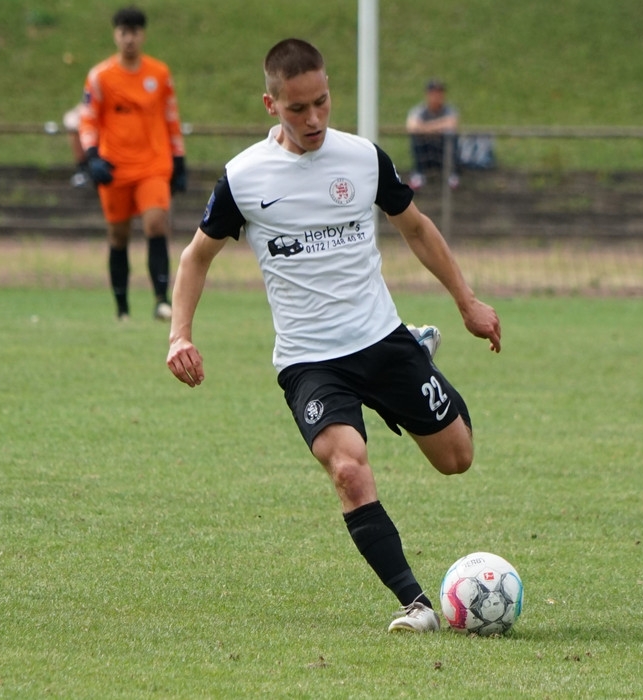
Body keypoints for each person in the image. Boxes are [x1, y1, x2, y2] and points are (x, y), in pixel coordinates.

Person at [165, 39, 501, 633]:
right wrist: (179, 335)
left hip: (381, 339)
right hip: (310, 362)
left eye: (322, 102)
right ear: (271, 104)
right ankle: (416, 603)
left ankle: (418, 350)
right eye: (298, 108)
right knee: (348, 469)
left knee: (457, 459)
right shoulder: (244, 177)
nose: (314, 118)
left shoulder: (363, 158)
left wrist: (467, 302)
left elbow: (416, 229)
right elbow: (196, 257)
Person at [78, 5, 188, 321]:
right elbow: (88, 120)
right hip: (115, 168)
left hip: (153, 165)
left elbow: (171, 117)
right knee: (118, 235)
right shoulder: (100, 77)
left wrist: (179, 159)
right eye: (124, 32)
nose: (129, 39)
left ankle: (161, 301)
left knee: (156, 224)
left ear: (143, 35)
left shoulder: (159, 74)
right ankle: (122, 309)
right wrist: (92, 156)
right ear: (116, 35)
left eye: (135, 32)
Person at [405, 79, 459, 191]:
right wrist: (438, 127)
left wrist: (425, 127)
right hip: (425, 147)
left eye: (439, 93)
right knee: (416, 137)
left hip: (442, 147)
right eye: (433, 93)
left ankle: (451, 174)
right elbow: (412, 126)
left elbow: (451, 124)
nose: (436, 96)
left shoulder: (449, 110)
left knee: (450, 136)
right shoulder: (419, 110)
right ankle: (419, 175)